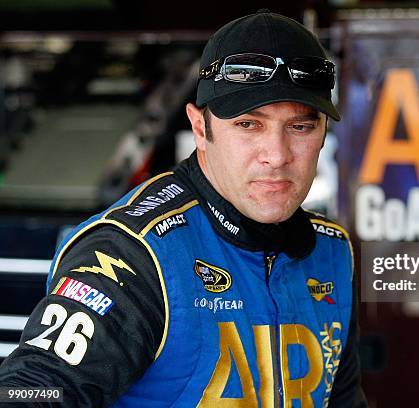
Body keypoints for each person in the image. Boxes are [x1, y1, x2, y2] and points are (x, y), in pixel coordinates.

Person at [0, 10, 367, 407]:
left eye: (300, 126)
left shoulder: (333, 252)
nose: (276, 155)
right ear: (200, 128)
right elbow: (30, 388)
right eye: (248, 125)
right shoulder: (133, 254)